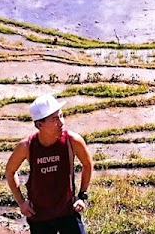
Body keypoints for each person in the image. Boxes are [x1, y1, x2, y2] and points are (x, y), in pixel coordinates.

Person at [5, 94, 94, 234]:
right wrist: (21, 202)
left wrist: (82, 196)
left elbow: (88, 165)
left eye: (61, 116)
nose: (61, 122)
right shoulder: (27, 146)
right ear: (40, 124)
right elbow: (10, 172)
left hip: (67, 212)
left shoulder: (72, 141)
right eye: (54, 119)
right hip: (39, 216)